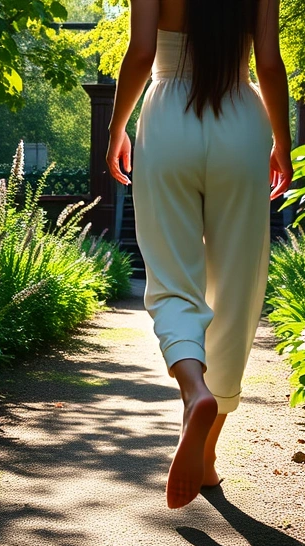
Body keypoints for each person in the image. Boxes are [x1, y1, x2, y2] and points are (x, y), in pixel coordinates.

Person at [105, 0, 292, 509]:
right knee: (235, 288)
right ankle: (207, 454)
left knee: (170, 276)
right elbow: (269, 64)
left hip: (167, 119)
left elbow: (142, 52)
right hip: (241, 120)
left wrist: (117, 126)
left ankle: (193, 391)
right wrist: (283, 142)